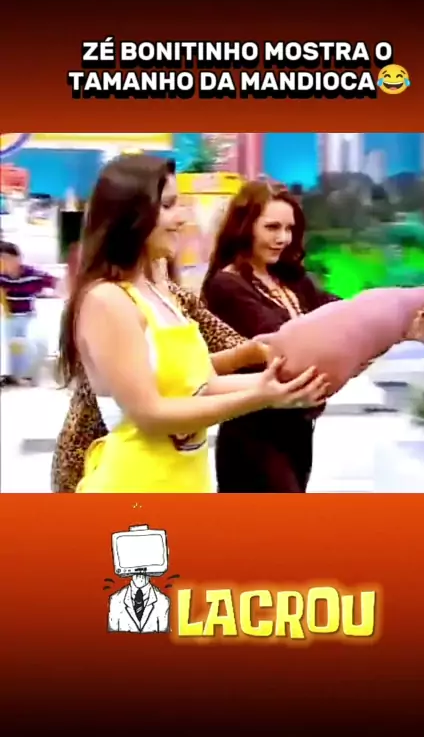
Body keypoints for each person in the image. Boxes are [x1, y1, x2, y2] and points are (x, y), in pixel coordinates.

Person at [58, 155, 328, 494]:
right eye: (168, 206)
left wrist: (279, 387)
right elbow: (150, 414)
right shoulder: (107, 300)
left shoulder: (162, 293)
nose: (182, 217)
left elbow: (201, 383)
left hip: (185, 483)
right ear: (131, 214)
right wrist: (259, 396)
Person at [202, 181, 424, 493]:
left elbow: (351, 322)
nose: (283, 238)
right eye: (272, 227)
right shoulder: (227, 286)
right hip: (254, 435)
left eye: (289, 228)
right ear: (245, 227)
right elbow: (287, 347)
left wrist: (403, 328)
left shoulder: (292, 281)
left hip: (298, 432)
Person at [52, 258, 270, 493]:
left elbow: (197, 372)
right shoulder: (108, 300)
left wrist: (270, 375)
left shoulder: (167, 295)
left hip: (177, 472)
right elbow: (151, 409)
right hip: (115, 464)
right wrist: (258, 389)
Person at [0, 241, 56, 386]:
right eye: (2, 259)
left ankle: (27, 374)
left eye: (7, 259)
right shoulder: (2, 277)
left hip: (28, 316)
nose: (5, 263)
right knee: (7, 343)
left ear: (18, 258)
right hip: (9, 317)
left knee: (37, 341)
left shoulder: (33, 275)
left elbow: (55, 282)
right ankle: (10, 374)